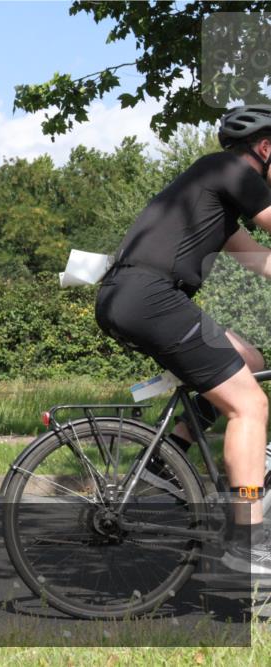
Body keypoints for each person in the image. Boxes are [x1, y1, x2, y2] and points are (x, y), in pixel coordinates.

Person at [95, 105, 271, 575]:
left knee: (249, 360)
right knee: (250, 406)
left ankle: (165, 461)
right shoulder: (236, 170)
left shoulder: (211, 191)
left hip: (129, 296)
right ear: (265, 147)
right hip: (153, 299)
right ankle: (248, 540)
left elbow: (262, 261)